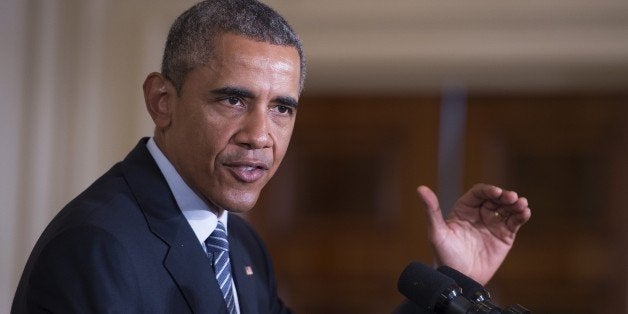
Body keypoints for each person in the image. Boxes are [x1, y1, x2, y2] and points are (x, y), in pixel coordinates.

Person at [11, 0, 531, 313]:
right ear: (162, 101)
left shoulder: (238, 243)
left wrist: (455, 282)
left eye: (282, 108)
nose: (261, 134)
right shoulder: (98, 248)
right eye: (233, 99)